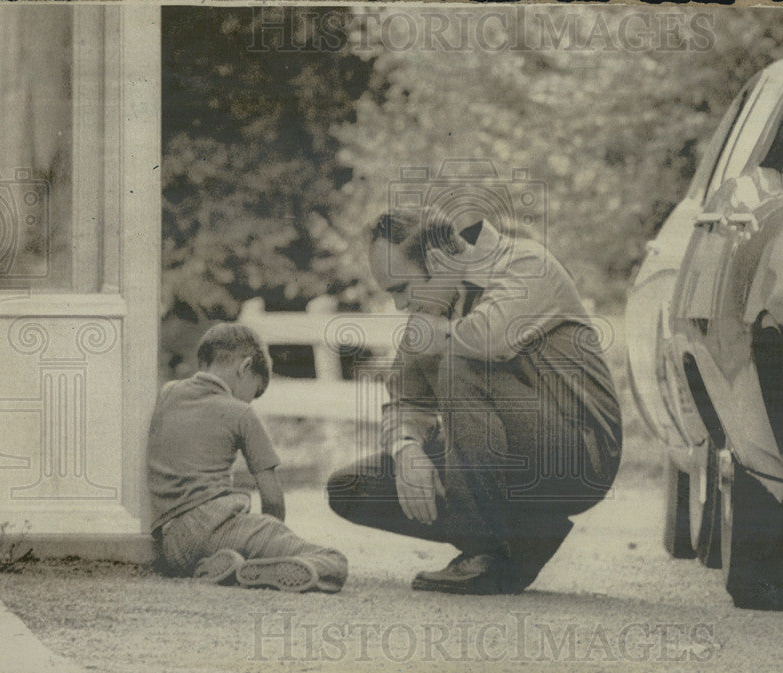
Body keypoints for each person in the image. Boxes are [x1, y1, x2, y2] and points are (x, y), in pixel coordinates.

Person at [327, 210, 622, 595]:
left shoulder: (524, 264)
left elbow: (487, 340)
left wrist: (436, 335)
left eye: (401, 289)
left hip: (579, 456)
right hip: (505, 458)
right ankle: (527, 535)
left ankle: (482, 553)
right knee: (351, 487)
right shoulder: (433, 310)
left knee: (458, 357)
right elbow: (405, 399)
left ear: (436, 262)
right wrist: (407, 450)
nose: (400, 306)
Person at [147, 322, 348, 593]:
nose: (249, 402)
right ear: (244, 367)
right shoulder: (240, 413)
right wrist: (271, 534)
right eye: (252, 394)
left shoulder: (168, 393)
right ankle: (266, 564)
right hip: (215, 527)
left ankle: (221, 568)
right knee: (333, 562)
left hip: (171, 546)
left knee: (233, 547)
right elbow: (273, 497)